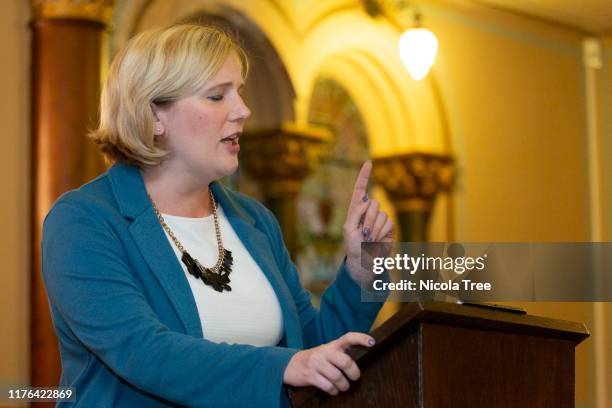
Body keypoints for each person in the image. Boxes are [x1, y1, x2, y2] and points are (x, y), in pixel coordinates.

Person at [42, 23, 394, 408]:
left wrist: (364, 269)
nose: (243, 110)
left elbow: (314, 351)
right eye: (216, 96)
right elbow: (144, 353)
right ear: (154, 116)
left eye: (239, 92)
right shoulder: (84, 221)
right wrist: (282, 367)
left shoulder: (254, 220)